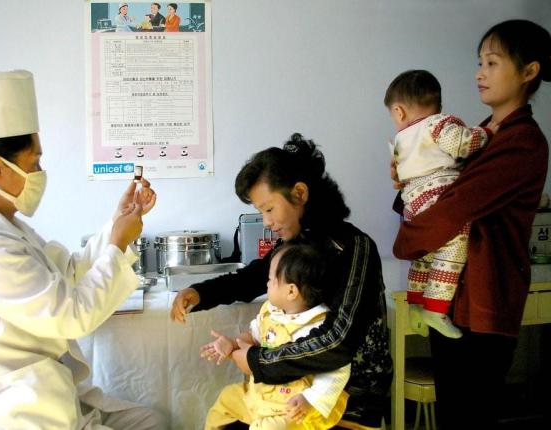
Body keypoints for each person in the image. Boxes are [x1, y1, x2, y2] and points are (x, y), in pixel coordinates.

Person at [0, 69, 166, 429]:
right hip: (9, 410)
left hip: (37, 393)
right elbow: (73, 315)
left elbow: (70, 270)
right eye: (34, 163)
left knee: (150, 421)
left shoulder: (3, 228)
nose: (40, 173)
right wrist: (119, 241)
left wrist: (117, 223)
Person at [171, 133, 393, 430]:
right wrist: (199, 293)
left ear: (300, 194)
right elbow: (252, 278)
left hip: (346, 401)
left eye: (269, 209)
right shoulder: (294, 245)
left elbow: (339, 342)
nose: (266, 221)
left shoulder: (354, 248)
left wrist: (259, 362)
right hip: (285, 394)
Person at [393, 19, 551, 430]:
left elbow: (455, 208)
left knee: (470, 415)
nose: (480, 73)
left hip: (484, 301)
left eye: (493, 62)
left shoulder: (522, 141)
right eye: (479, 62)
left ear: (529, 71)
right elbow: (438, 193)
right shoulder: (478, 135)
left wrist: (405, 243)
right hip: (453, 298)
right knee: (455, 412)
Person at [384, 69, 495, 339]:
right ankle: (435, 306)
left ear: (399, 112)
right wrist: (487, 133)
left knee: (425, 255)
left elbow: (402, 176)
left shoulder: (401, 139)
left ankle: (416, 302)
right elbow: (461, 143)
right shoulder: (439, 124)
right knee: (454, 247)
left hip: (413, 205)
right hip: (438, 196)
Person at [202, 242, 351, 429]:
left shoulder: (317, 325)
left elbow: (336, 369)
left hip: (293, 406)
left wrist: (310, 400)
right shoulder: (270, 312)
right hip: (260, 393)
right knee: (225, 400)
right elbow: (253, 336)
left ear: (291, 291)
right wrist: (232, 344)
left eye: (271, 279)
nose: (267, 283)